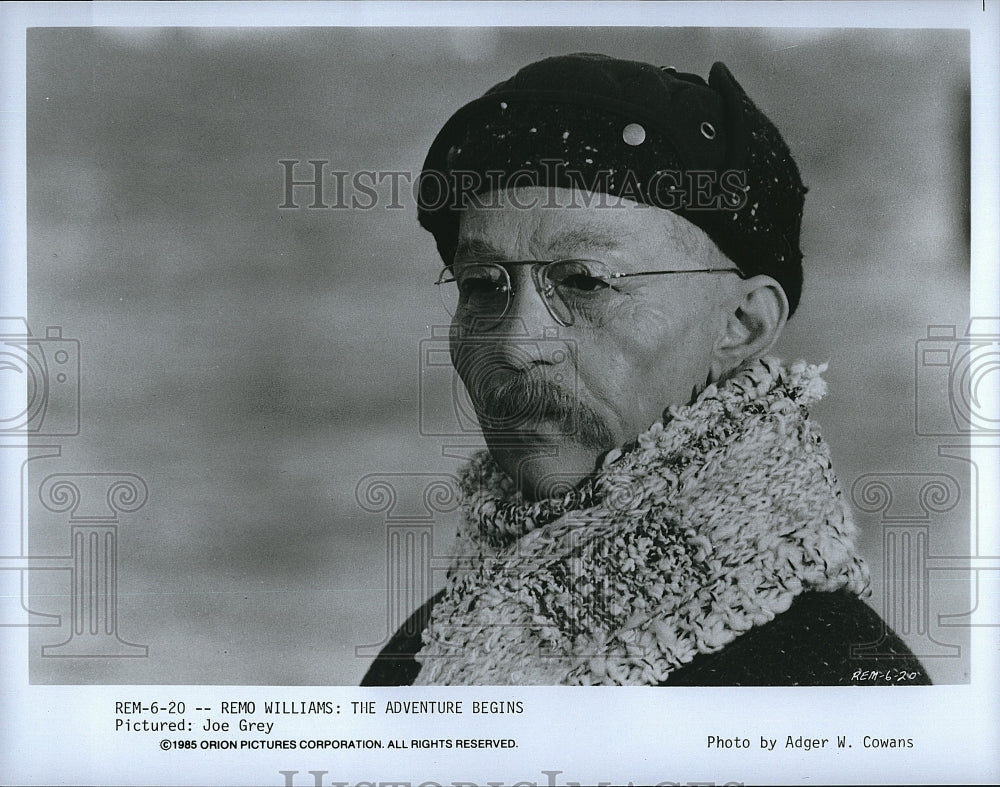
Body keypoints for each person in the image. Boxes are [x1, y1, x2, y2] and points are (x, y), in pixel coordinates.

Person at [362, 52, 930, 686]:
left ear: (742, 324)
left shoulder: (832, 679)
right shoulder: (425, 652)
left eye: (583, 282)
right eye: (480, 283)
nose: (517, 344)